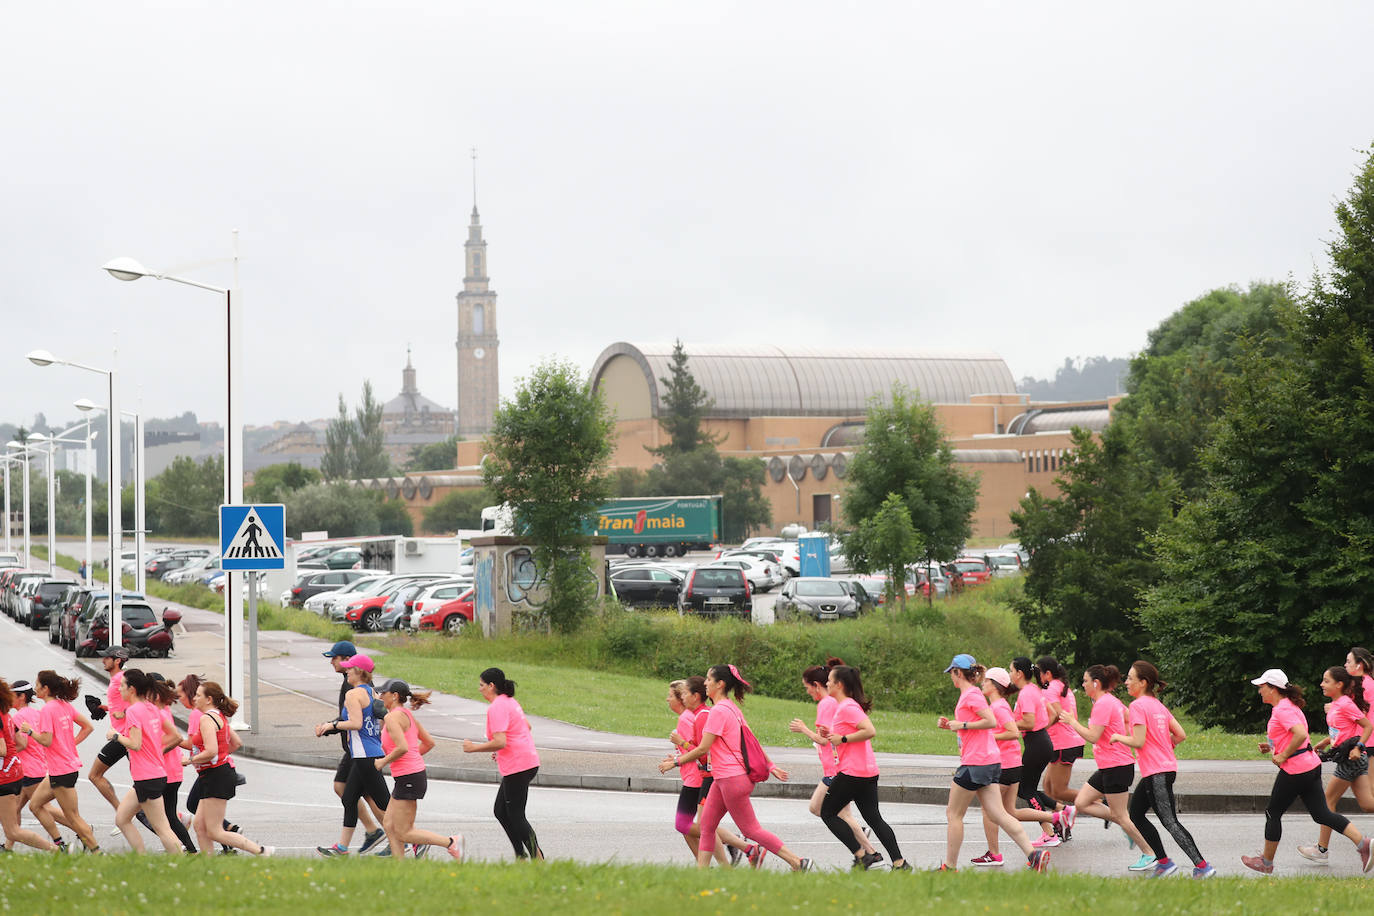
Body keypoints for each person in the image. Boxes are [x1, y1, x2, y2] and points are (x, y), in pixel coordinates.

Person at [669, 664, 813, 871]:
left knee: (751, 829)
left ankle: (798, 862)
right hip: (726, 778)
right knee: (707, 827)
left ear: (720, 684)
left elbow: (703, 749)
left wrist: (675, 761)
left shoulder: (718, 711)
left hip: (731, 779)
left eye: (709, 680)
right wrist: (770, 765)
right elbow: (751, 739)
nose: (706, 683)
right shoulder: (731, 707)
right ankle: (702, 875)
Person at [1243, 668, 1372, 874]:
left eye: (1262, 687)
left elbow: (1301, 735)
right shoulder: (1289, 706)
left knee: (1273, 812)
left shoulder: (1282, 710)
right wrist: (1272, 747)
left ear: (1273, 689)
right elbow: (1291, 736)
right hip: (1310, 766)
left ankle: (1266, 863)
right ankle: (1363, 844)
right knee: (1322, 814)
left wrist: (1284, 756)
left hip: (1295, 769)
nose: (1259, 691)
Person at [937, 654, 1050, 872]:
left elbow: (989, 721)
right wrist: (953, 725)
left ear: (958, 673)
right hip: (988, 761)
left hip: (976, 762)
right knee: (999, 814)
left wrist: (962, 723)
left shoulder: (971, 695)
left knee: (953, 814)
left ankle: (949, 867)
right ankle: (1034, 855)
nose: (951, 677)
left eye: (952, 672)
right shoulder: (972, 695)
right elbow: (975, 725)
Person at [1113, 661, 1214, 878]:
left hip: (1157, 772)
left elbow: (1138, 741)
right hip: (1161, 770)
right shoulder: (1158, 705)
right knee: (1136, 815)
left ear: (1143, 682)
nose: (1126, 682)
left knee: (1170, 822)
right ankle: (1164, 862)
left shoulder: (1138, 706)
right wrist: (1162, 744)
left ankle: (1203, 866)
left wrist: (1118, 737)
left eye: (1130, 678)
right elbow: (1181, 735)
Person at [1058, 664, 1156, 869]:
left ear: (1096, 683)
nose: (1083, 685)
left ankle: (1149, 854)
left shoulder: (1104, 704)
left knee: (1120, 814)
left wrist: (1072, 722)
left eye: (1085, 681)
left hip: (1117, 766)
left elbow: (1093, 736)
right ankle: (1125, 826)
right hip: (1108, 766)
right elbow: (1128, 716)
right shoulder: (1110, 701)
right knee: (1082, 802)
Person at [816, 665, 909, 870]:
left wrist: (843, 738)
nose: (827, 683)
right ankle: (899, 863)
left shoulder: (847, 706)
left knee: (828, 813)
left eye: (830, 680)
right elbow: (848, 733)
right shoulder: (847, 706)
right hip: (866, 772)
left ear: (839, 685)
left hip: (852, 773)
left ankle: (862, 856)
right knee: (874, 819)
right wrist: (831, 733)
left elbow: (869, 731)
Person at [788, 660, 878, 865]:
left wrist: (804, 729)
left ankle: (865, 850)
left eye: (807, 688)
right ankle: (868, 851)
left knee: (822, 809)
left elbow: (825, 740)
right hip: (838, 766)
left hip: (836, 767)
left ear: (816, 686)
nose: (807, 692)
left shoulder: (826, 704)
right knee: (837, 812)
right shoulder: (832, 703)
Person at [660, 676, 752, 866]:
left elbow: (701, 750)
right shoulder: (690, 717)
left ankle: (736, 847)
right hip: (694, 777)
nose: (668, 699)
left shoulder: (688, 718)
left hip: (696, 779)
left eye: (672, 695)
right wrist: (677, 757)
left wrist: (677, 760)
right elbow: (694, 748)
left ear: (685, 697)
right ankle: (710, 863)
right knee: (690, 827)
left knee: (691, 826)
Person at [971, 666, 1057, 866]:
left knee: (989, 810)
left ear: (994, 686)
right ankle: (1055, 818)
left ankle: (994, 854)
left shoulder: (998, 707)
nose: (983, 684)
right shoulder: (1000, 705)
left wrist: (989, 736)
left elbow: (1012, 732)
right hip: (1013, 764)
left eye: (986, 682)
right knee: (1010, 811)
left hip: (1004, 766)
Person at [375, 679, 464, 860]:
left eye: (383, 693)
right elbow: (428, 743)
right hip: (409, 775)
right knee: (389, 824)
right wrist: (411, 761)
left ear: (394, 696)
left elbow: (402, 747)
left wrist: (383, 762)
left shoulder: (392, 717)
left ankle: (451, 842)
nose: (380, 696)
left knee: (404, 832)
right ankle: (400, 867)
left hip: (409, 776)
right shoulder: (406, 715)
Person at [463, 667, 544, 860]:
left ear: (491, 686)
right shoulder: (509, 701)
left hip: (519, 765)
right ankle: (521, 856)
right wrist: (501, 750)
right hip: (525, 761)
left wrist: (474, 748)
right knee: (501, 811)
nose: (479, 689)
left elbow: (501, 741)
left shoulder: (497, 706)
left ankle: (537, 858)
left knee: (516, 815)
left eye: (481, 685)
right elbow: (526, 727)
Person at [313, 641, 386, 854]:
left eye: (335, 658)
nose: (334, 664)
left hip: (364, 753)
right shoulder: (371, 691)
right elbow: (379, 717)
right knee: (349, 795)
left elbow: (356, 723)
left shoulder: (353, 691)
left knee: (383, 802)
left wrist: (330, 726)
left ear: (353, 667)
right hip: (362, 750)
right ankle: (344, 846)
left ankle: (410, 838)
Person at [1297, 666, 1374, 864]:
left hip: (1351, 758)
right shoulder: (1338, 703)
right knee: (1367, 804)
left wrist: (1358, 746)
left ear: (1339, 684)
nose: (1322, 684)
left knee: (1326, 803)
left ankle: (1322, 849)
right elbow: (1343, 730)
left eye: (1326, 680)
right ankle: (1322, 849)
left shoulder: (1345, 704)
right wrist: (1326, 741)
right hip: (1352, 758)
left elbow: (1367, 726)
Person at [104, 669, 185, 854]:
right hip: (152, 775)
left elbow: (135, 744)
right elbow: (175, 735)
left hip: (147, 777)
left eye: (122, 686)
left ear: (131, 689)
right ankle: (141, 858)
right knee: (122, 819)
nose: (120, 690)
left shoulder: (133, 711)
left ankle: (182, 861)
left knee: (162, 828)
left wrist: (115, 735)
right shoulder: (151, 708)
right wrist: (155, 745)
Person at [188, 681, 272, 857]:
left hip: (216, 776)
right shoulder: (218, 715)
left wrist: (191, 760)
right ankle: (209, 865)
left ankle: (262, 851)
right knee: (199, 825)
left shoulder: (206, 718)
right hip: (215, 773)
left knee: (214, 831)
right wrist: (222, 758)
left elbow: (211, 751)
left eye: (198, 695)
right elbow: (236, 743)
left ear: (209, 699)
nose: (194, 698)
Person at [26, 670, 98, 852]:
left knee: (73, 817)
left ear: (45, 688)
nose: (35, 689)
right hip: (62, 768)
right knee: (35, 805)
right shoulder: (63, 705)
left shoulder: (47, 710)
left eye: (37, 685)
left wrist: (29, 731)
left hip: (62, 771)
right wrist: (69, 744)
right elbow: (88, 727)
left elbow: (46, 740)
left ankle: (97, 851)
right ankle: (60, 843)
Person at [1008, 657, 1062, 846]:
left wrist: (1007, 724)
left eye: (1011, 670)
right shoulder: (1034, 690)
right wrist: (1041, 729)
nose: (1009, 674)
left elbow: (1029, 722)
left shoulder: (1026, 693)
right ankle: (1060, 813)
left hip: (1037, 744)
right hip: (1041, 742)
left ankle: (1051, 827)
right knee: (1027, 788)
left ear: (1019, 674)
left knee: (1025, 789)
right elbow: (1052, 713)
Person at [0, 677, 58, 852]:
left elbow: (3, 749)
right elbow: (19, 743)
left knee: (15, 829)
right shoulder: (7, 715)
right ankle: (8, 848)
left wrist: (8, 757)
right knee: (16, 814)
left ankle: (57, 848)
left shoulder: (12, 715)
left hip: (12, 775)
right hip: (18, 771)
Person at [150, 673, 196, 853]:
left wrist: (157, 754)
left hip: (166, 771)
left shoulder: (160, 712)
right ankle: (185, 848)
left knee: (151, 813)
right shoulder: (164, 710)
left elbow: (175, 739)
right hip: (172, 770)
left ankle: (182, 847)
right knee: (168, 815)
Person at [88, 647, 135, 823]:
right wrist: (105, 708)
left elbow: (140, 700)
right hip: (123, 736)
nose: (102, 660)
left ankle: (121, 812)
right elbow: (122, 704)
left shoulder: (120, 679)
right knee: (144, 785)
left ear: (117, 661)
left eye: (106, 658)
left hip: (124, 736)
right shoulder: (117, 680)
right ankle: (178, 818)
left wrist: (124, 712)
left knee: (94, 775)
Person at [1038, 656, 1085, 817]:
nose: (1037, 676)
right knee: (1048, 787)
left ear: (1048, 673)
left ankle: (1102, 803)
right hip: (1061, 742)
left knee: (1059, 790)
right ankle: (1058, 824)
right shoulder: (1061, 685)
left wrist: (1040, 729)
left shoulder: (1050, 688)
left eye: (1039, 673)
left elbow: (1059, 714)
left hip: (1063, 742)